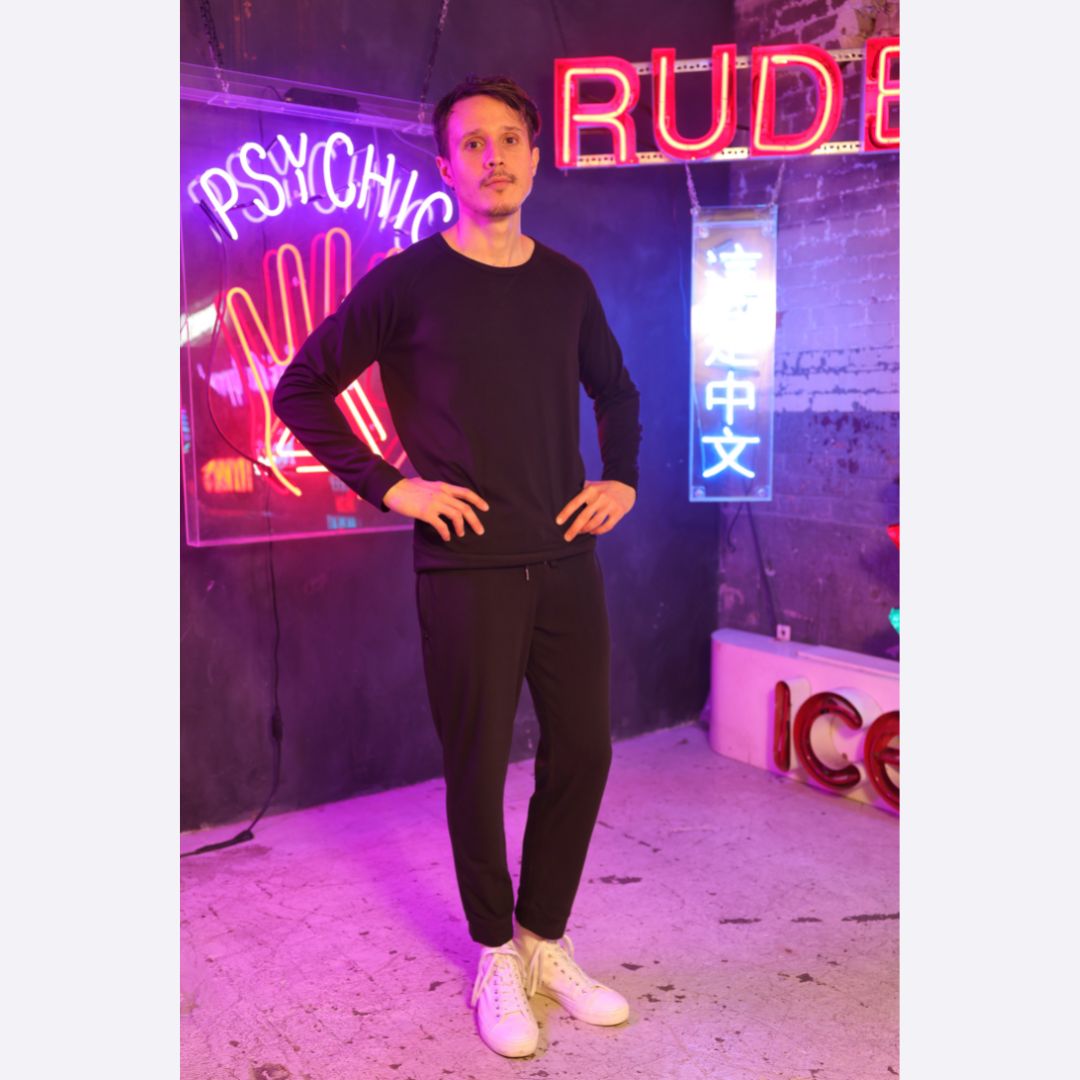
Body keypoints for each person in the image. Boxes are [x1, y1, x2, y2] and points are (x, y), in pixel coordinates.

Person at [272, 73, 643, 1059]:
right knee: (477, 768)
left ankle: (544, 941)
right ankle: (493, 955)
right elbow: (300, 389)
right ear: (446, 167)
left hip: (564, 558)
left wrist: (623, 478)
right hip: (465, 566)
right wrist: (393, 486)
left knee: (585, 752)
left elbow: (616, 391)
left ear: (535, 157)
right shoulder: (406, 283)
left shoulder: (566, 284)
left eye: (511, 139)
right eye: (473, 142)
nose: (495, 156)